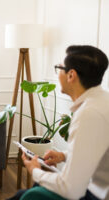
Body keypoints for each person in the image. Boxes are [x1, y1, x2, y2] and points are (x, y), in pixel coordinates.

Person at [8, 45, 109, 200]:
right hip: (92, 187)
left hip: (96, 194)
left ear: (71, 75)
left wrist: (35, 170)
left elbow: (71, 189)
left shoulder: (89, 113)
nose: (58, 72)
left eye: (59, 67)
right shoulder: (102, 101)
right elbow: (99, 150)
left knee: (28, 195)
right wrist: (63, 155)